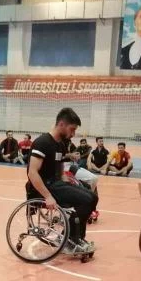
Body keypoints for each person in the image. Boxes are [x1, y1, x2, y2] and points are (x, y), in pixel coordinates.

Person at [27, 108, 98, 254]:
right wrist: (47, 196)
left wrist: (66, 180)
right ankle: (69, 240)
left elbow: (58, 166)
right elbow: (32, 173)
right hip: (43, 188)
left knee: (92, 197)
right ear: (61, 124)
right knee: (85, 200)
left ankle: (76, 238)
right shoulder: (42, 142)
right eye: (72, 129)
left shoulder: (59, 144)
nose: (73, 134)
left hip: (56, 184)